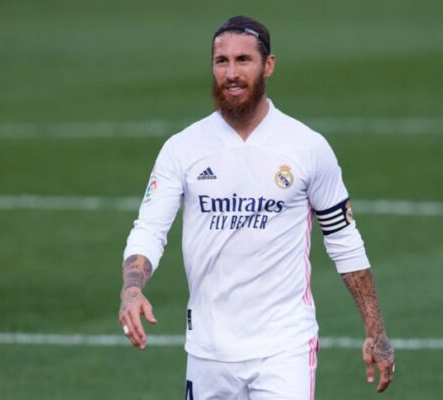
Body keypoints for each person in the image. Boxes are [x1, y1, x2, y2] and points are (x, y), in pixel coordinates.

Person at [118, 15, 395, 399]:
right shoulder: (183, 148)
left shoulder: (307, 147)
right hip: (208, 351)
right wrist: (132, 288)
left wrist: (376, 330)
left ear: (269, 65)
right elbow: (150, 228)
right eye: (222, 61)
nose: (231, 73)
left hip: (285, 349)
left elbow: (343, 240)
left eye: (243, 60)